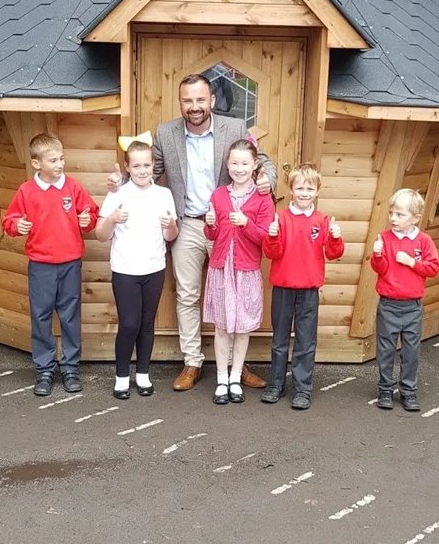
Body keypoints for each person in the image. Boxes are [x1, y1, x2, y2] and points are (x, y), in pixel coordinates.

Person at [108, 74, 276, 391]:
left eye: (200, 100)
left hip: (227, 227)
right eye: (188, 101)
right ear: (181, 102)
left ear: (211, 100)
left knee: (234, 292)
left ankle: (237, 368)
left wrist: (268, 176)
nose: (194, 107)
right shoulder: (166, 133)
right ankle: (192, 361)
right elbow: (147, 172)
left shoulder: (235, 129)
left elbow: (261, 160)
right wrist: (118, 187)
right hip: (186, 224)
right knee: (187, 295)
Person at [2, 134, 98, 397]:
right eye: (53, 160)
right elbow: (9, 220)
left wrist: (86, 220)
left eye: (61, 158)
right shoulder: (26, 191)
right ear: (36, 163)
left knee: (70, 316)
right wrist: (16, 226)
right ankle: (44, 369)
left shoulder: (73, 187)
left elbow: (91, 212)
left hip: (70, 263)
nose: (59, 164)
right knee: (41, 317)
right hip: (41, 266)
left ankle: (70, 368)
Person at [96, 139, 178, 399]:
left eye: (147, 165)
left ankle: (143, 373)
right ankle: (122, 376)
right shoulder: (117, 194)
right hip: (125, 270)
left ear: (154, 165)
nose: (142, 170)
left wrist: (171, 225)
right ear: (127, 167)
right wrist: (112, 218)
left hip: (154, 268)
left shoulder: (163, 194)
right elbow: (100, 234)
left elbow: (170, 236)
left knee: (146, 323)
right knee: (129, 323)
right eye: (136, 166)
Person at [261, 163, 344, 411]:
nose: (305, 192)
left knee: (306, 342)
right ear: (291, 189)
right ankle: (276, 385)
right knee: (279, 340)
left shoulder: (322, 220)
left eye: (310, 188)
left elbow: (333, 252)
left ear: (317, 191)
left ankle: (303, 389)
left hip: (309, 290)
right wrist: (273, 235)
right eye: (300, 188)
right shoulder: (281, 218)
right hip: (283, 288)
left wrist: (337, 236)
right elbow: (270, 252)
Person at [203, 139, 275, 404]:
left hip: (246, 270)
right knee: (222, 326)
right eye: (234, 163)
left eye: (245, 163)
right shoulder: (219, 195)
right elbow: (212, 233)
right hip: (222, 268)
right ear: (227, 164)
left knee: (242, 327)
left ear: (255, 164)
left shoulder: (263, 198)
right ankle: (221, 378)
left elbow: (266, 239)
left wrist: (246, 223)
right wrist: (209, 224)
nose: (239, 168)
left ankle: (236, 377)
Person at [369, 187, 439, 412]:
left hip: (413, 306)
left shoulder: (424, 241)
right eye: (392, 213)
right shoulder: (385, 238)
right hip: (389, 304)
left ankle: (409, 391)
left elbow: (433, 268)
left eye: (400, 215)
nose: (393, 218)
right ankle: (385, 390)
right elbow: (379, 269)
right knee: (386, 349)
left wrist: (412, 262)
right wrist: (378, 254)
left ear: (415, 218)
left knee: (411, 351)